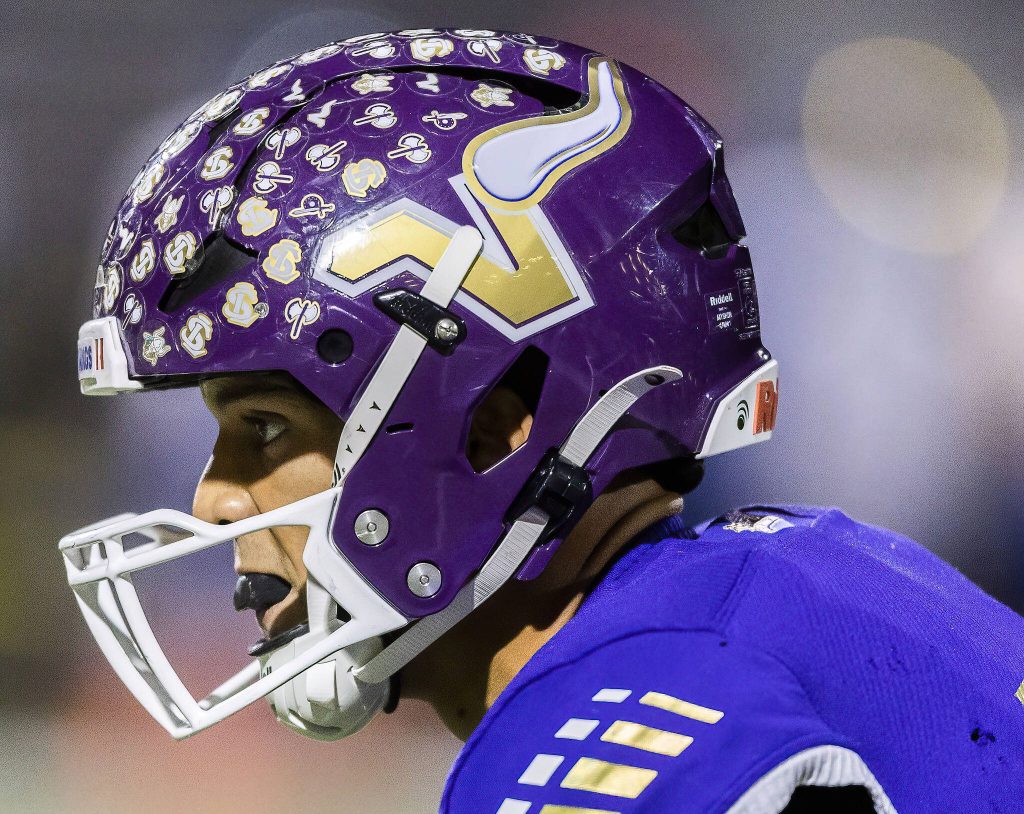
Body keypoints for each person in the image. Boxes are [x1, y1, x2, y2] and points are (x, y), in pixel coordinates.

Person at [61, 28, 1024, 813]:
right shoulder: (802, 578)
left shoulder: (592, 724)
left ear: (492, 427)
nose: (215, 498)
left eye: (265, 429)